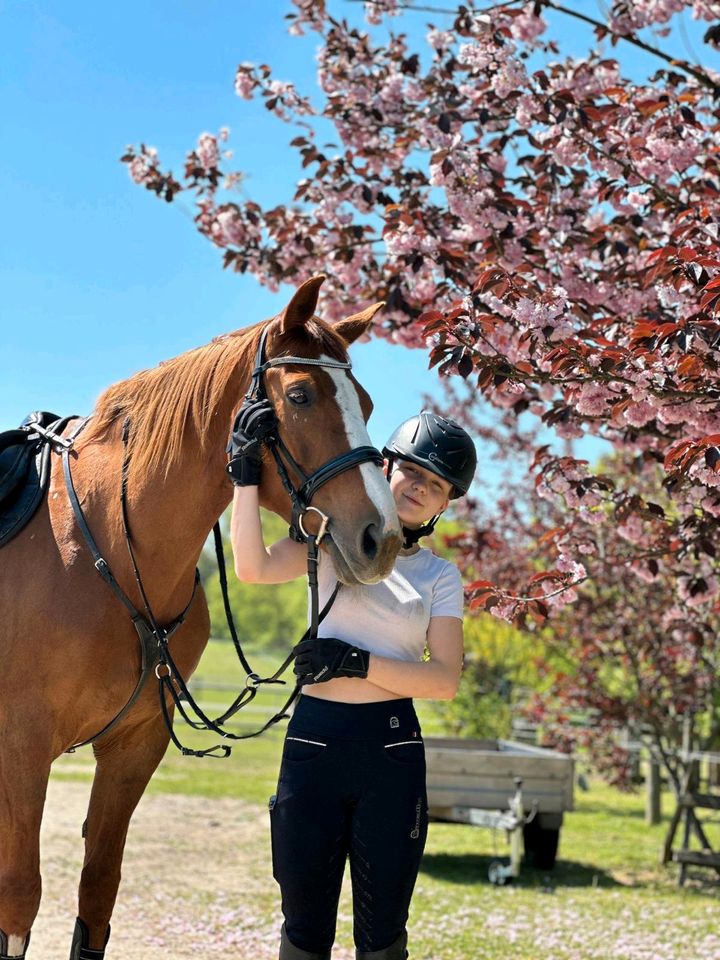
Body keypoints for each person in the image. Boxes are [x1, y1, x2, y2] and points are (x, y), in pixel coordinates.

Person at [228, 404, 477, 960]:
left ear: (444, 503)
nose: (418, 487)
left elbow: (443, 679)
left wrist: (355, 662)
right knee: (302, 929)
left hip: (391, 754)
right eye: (412, 470)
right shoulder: (326, 539)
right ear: (385, 466)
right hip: (313, 743)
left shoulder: (439, 576)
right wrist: (245, 478)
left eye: (435, 485)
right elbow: (253, 568)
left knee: (383, 933)